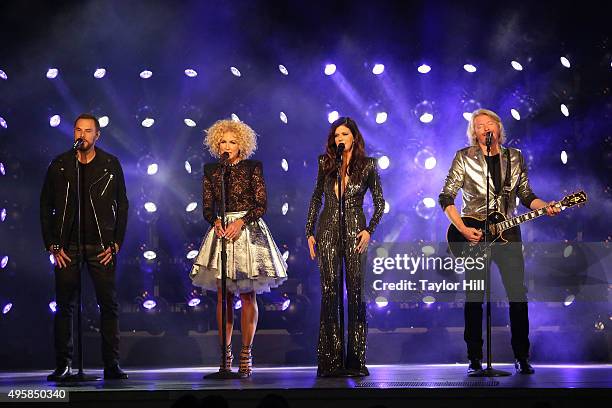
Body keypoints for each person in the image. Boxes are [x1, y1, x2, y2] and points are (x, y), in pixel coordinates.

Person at [439, 108, 559, 375]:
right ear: (473, 132)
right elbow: (446, 197)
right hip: (474, 233)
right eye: (479, 125)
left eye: (489, 123)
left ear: (498, 128)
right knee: (474, 297)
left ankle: (522, 356)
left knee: (518, 295)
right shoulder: (464, 157)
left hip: (508, 232)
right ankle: (474, 358)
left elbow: (526, 194)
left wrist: (546, 206)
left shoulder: (513, 157)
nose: (484, 128)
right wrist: (463, 229)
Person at [190, 119, 288, 377]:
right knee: (223, 295)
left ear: (242, 144)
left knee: (247, 294)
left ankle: (246, 352)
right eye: (223, 141)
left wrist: (241, 222)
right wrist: (217, 221)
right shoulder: (212, 170)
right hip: (222, 231)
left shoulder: (253, 167)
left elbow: (261, 204)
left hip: (247, 230)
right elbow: (207, 208)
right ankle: (226, 356)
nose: (227, 145)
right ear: (216, 144)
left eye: (232, 141)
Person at [40, 113, 129, 381]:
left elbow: (122, 204)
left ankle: (111, 364)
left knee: (108, 305)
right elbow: (46, 205)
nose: (82, 135)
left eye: (88, 131)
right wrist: (52, 245)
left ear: (97, 135)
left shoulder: (110, 164)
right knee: (65, 306)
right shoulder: (61, 164)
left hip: (101, 246)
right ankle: (64, 364)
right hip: (68, 247)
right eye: (78, 130)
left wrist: (115, 243)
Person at [305, 117, 385, 377]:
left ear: (354, 138)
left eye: (344, 134)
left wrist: (368, 230)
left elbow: (380, 202)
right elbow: (317, 197)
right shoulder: (325, 162)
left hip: (355, 230)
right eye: (336, 135)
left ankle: (356, 360)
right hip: (327, 228)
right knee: (330, 292)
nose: (340, 138)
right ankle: (330, 360)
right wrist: (309, 231)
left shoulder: (367, 166)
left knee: (356, 293)